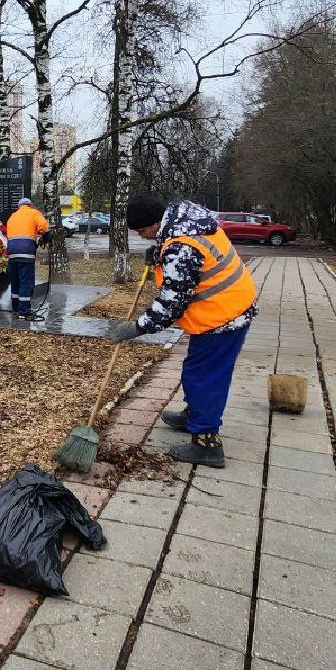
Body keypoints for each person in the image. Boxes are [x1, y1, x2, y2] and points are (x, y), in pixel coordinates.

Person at [108, 194, 257, 467]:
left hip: (223, 316)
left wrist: (136, 328)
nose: (142, 237)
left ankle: (206, 444)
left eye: (143, 231)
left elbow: (171, 304)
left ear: (156, 222)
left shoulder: (181, 246)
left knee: (205, 377)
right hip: (228, 306)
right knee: (196, 369)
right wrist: (160, 254)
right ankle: (195, 415)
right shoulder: (184, 221)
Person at [4, 197, 50, 320]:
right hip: (26, 251)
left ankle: (15, 308)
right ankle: (24, 311)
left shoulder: (12, 217)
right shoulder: (34, 213)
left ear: (19, 206)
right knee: (26, 281)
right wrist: (45, 237)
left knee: (15, 280)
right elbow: (44, 227)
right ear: (30, 205)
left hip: (12, 251)